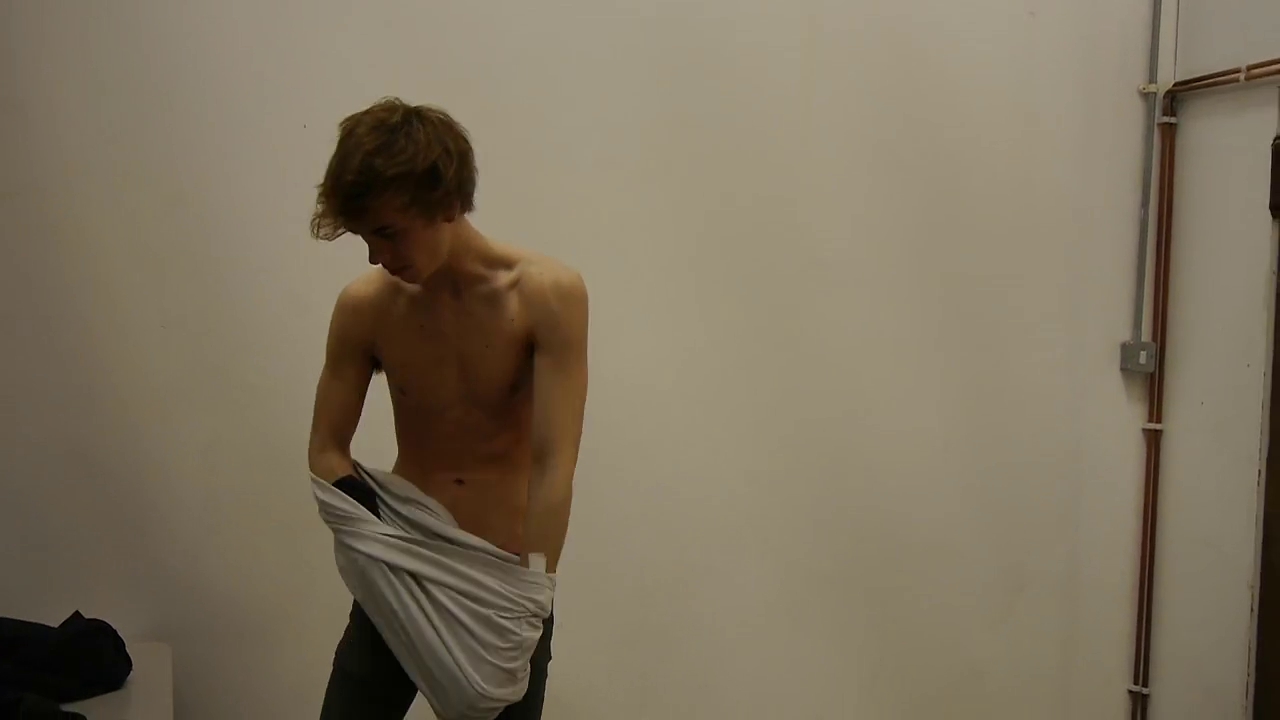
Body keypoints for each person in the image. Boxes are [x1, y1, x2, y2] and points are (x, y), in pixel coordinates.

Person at [306, 97, 589, 720]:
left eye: (387, 232)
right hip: (401, 569)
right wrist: (374, 539)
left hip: (503, 582)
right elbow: (326, 449)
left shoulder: (546, 297)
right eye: (364, 236)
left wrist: (531, 595)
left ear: (446, 203)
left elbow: (554, 465)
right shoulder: (365, 306)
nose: (376, 256)